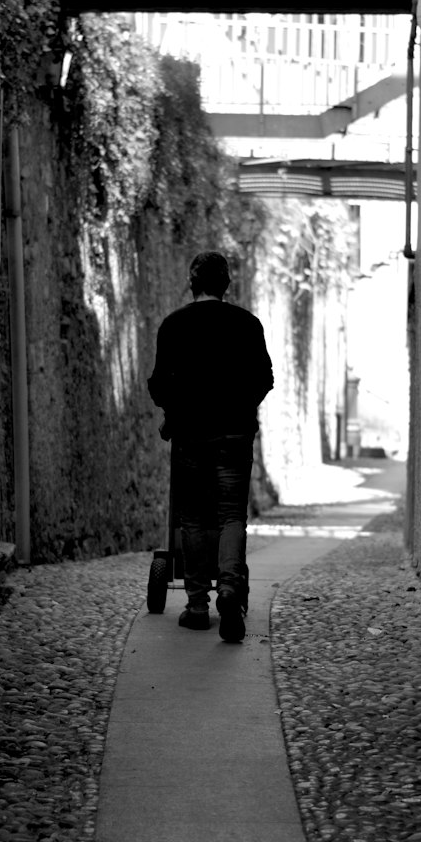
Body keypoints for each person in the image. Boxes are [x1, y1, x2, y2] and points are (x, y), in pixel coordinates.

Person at [147, 251, 273, 642]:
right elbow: (264, 378)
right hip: (235, 435)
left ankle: (197, 605)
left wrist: (175, 410)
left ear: (192, 282)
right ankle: (231, 590)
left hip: (191, 437)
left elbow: (158, 384)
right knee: (232, 516)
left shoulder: (173, 325)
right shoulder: (248, 324)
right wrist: (240, 408)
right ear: (227, 285)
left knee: (195, 518)